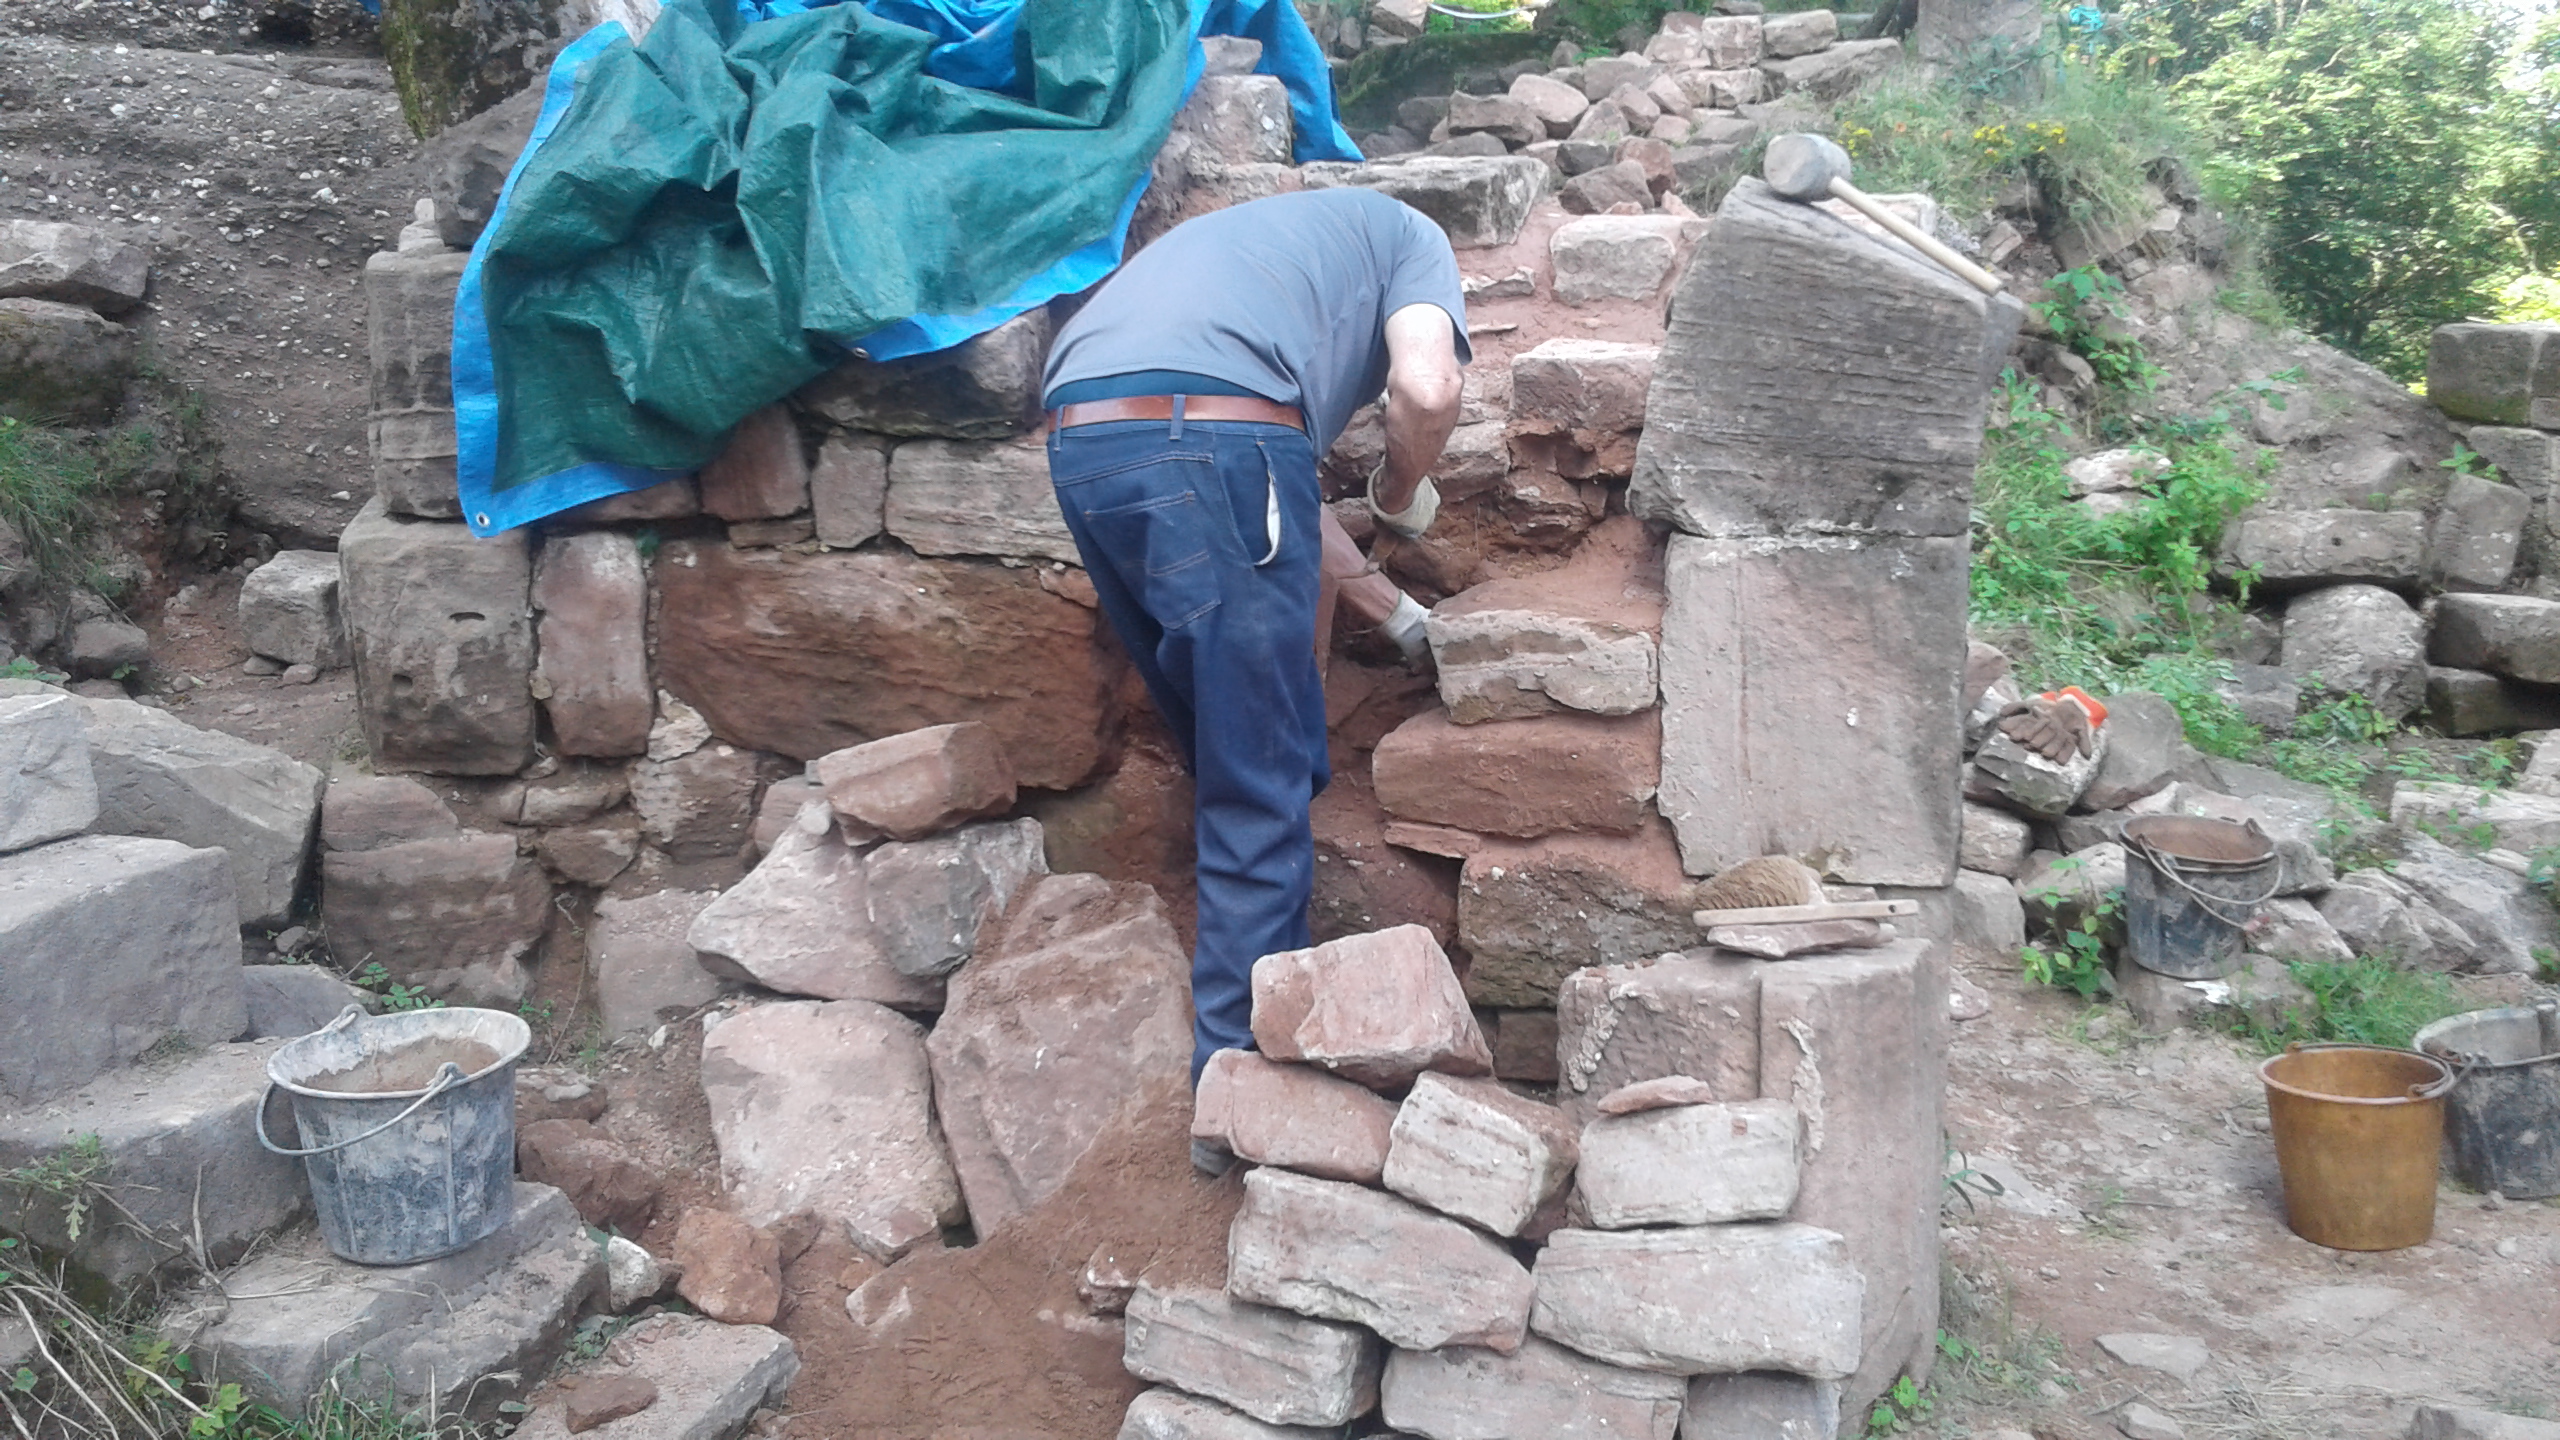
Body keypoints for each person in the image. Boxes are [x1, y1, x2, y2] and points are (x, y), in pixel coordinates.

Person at [1041, 188, 1469, 1172]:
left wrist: (1398, 619)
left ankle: (1251, 967)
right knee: (1258, 776)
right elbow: (1427, 388)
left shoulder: (1266, 255)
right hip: (1218, 441)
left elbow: (1272, 485)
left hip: (1082, 433)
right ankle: (1235, 1099)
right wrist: (1398, 488)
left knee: (1225, 737)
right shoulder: (1416, 237)